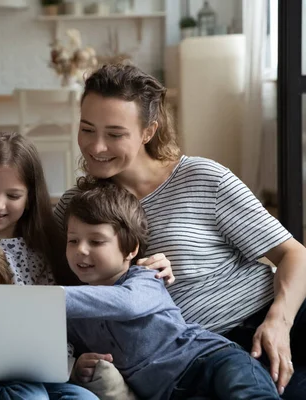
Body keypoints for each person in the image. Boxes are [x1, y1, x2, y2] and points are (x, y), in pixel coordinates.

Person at [53, 63, 306, 398]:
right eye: (87, 129)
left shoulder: (202, 177)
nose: (97, 147)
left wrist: (278, 322)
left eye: (115, 134)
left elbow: (293, 254)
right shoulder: (77, 207)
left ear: (148, 131)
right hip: (207, 352)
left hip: (279, 312)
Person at [64, 183, 280, 400]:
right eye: (73, 240)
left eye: (96, 241)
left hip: (211, 360)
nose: (81, 249)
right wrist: (76, 366)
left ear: (131, 249)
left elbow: (127, 304)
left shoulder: (145, 277)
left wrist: (50, 298)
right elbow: (62, 348)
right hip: (171, 394)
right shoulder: (74, 316)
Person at [0, 131, 98, 399]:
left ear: (30, 197)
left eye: (13, 195)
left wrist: (72, 367)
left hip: (49, 371)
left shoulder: (49, 246)